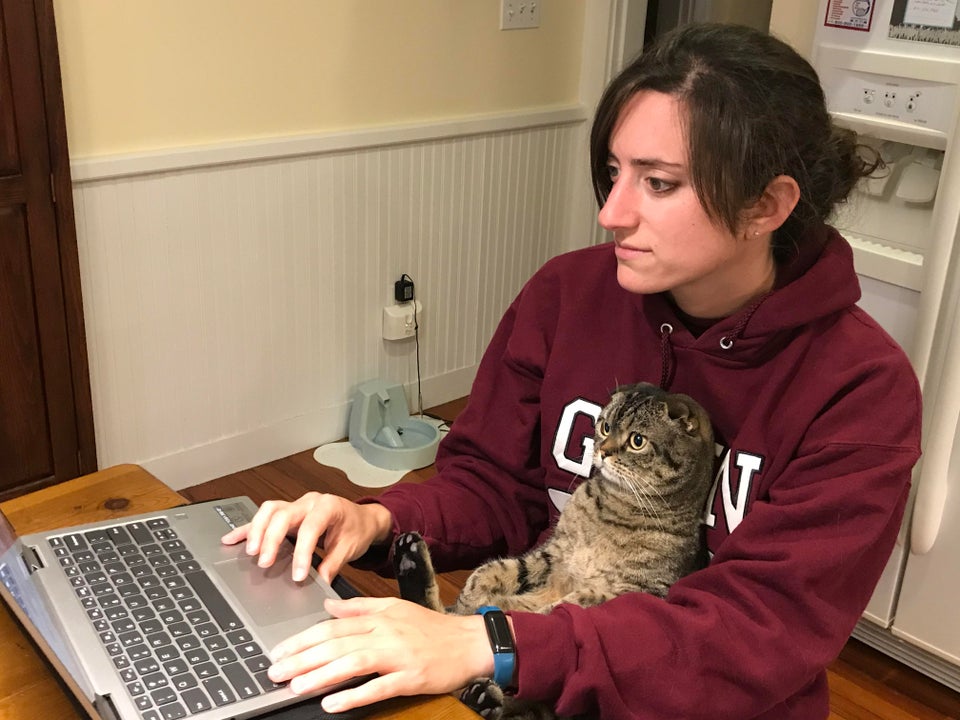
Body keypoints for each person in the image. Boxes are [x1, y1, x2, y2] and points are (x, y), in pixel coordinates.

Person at [222, 23, 921, 719]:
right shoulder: (567, 294)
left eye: (659, 183)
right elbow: (493, 484)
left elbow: (753, 634)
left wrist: (498, 645)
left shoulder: (860, 390)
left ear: (765, 205)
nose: (611, 212)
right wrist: (378, 518)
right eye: (615, 173)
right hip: (544, 675)